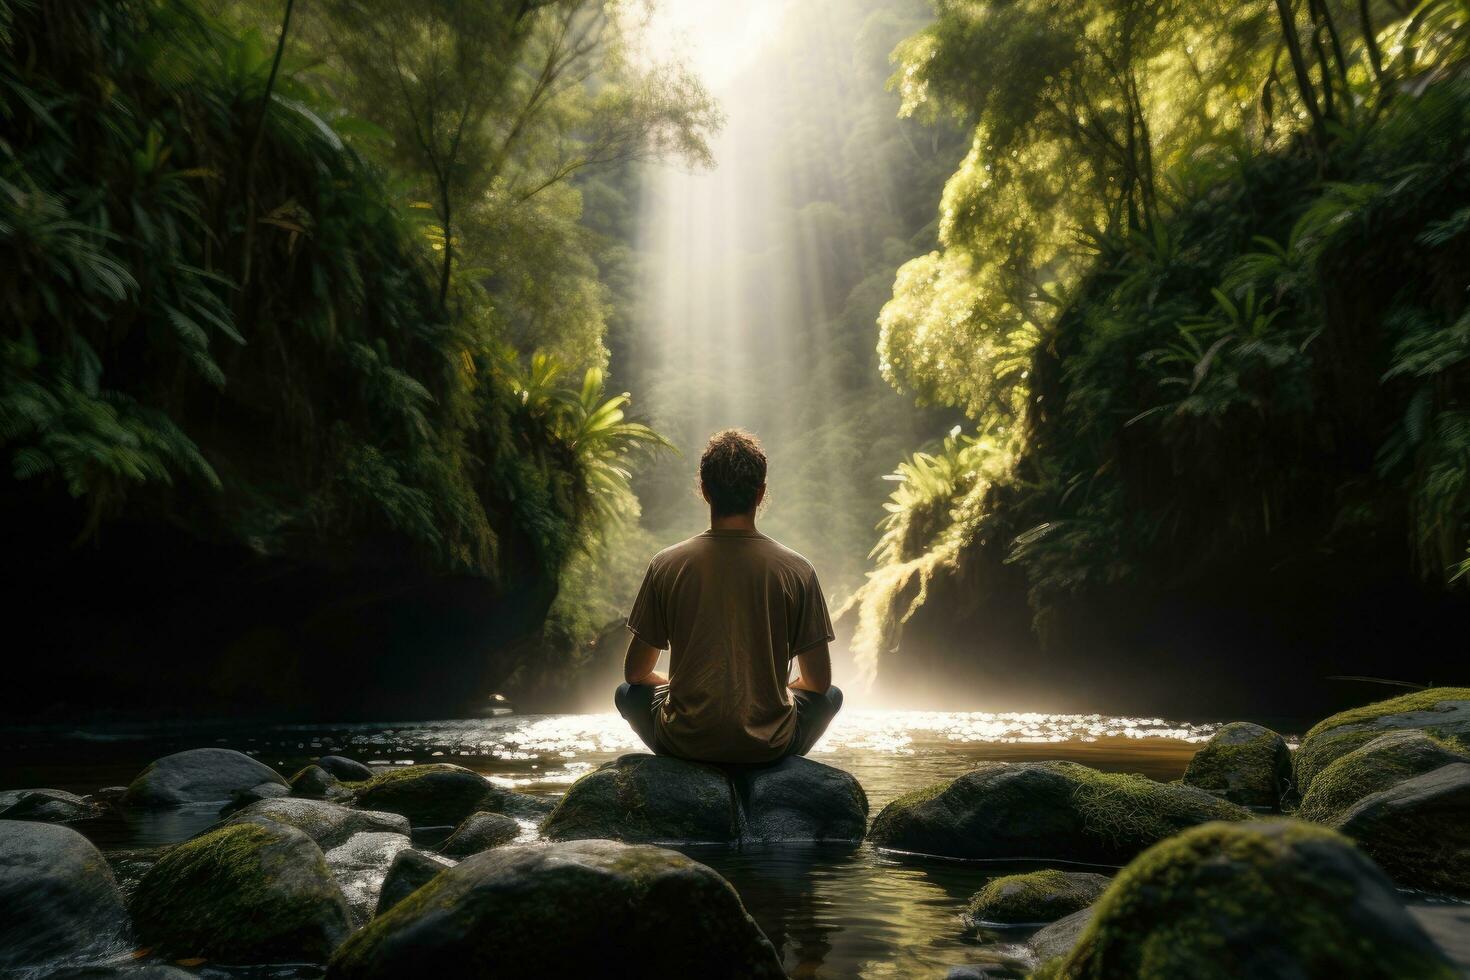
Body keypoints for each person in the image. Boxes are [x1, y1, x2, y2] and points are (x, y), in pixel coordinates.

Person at [615, 428, 843, 764]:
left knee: (626, 695)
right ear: (761, 493)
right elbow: (819, 682)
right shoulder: (798, 570)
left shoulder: (666, 565)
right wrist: (773, 692)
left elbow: (635, 674)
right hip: (768, 745)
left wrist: (679, 686)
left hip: (685, 742)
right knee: (832, 697)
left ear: (705, 491)